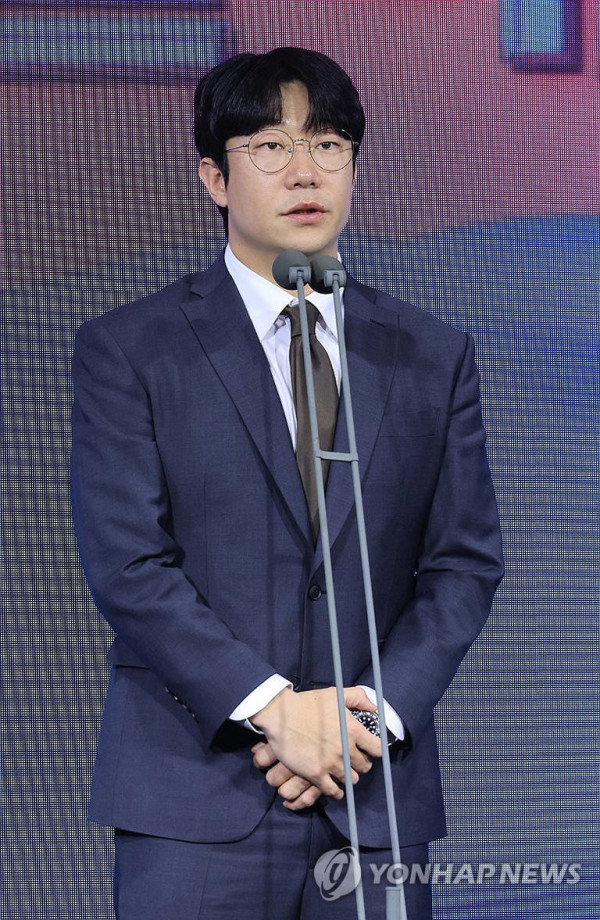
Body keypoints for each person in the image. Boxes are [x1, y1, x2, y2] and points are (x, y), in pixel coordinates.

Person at [70, 47, 503, 920]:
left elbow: (463, 566)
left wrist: (362, 725)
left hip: (372, 799)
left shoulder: (429, 353)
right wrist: (276, 711)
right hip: (195, 799)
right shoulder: (131, 348)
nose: (306, 171)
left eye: (329, 144)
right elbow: (130, 564)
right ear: (214, 177)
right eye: (270, 146)